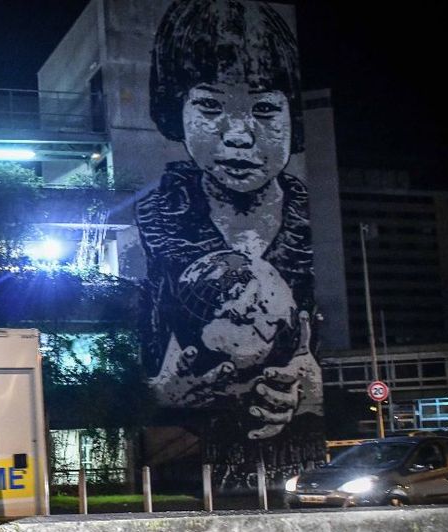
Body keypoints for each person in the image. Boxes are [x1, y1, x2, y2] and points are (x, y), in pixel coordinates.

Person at [136, 0, 323, 483]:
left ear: (293, 115)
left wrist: (307, 392)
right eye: (210, 106)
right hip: (182, 467)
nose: (239, 135)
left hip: (294, 465)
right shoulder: (156, 223)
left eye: (265, 109)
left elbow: (314, 361)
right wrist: (160, 394)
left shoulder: (308, 226)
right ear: (176, 108)